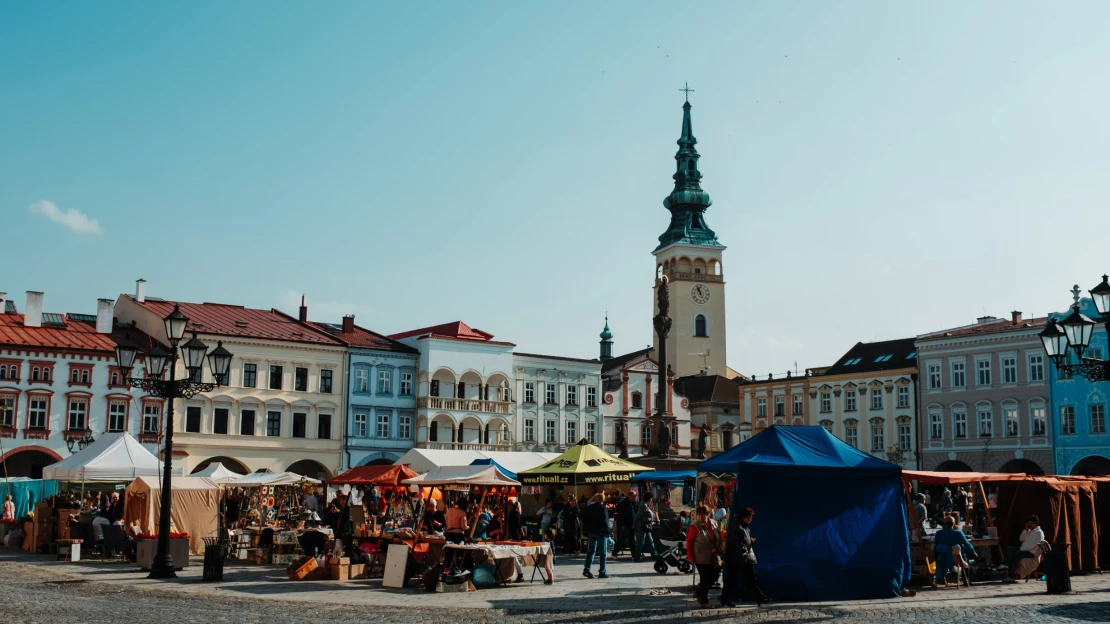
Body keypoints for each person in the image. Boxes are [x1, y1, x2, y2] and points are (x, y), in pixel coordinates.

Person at [686, 505, 721, 609]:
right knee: (705, 578)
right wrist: (690, 556)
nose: (701, 517)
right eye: (699, 514)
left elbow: (717, 536)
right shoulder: (694, 527)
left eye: (703, 514)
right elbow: (689, 542)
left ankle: (699, 592)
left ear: (708, 514)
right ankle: (704, 601)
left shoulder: (714, 523)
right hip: (700, 556)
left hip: (713, 556)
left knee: (715, 576)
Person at [931, 515, 977, 587]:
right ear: (954, 524)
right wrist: (973, 552)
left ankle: (942, 577)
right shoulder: (958, 533)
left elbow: (936, 545)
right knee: (967, 555)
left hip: (944, 559)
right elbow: (967, 544)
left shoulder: (938, 534)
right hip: (958, 560)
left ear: (944, 524)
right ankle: (966, 579)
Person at [1004, 515, 1045, 583]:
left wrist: (1021, 549)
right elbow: (1021, 539)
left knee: (1016, 554)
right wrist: (1025, 530)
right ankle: (1004, 564)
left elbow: (1032, 545)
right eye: (1029, 523)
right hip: (1024, 549)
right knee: (1010, 549)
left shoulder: (1039, 533)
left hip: (1031, 552)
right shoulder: (1029, 531)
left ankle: (1011, 576)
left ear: (1035, 523)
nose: (1030, 525)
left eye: (1031, 523)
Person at [582, 493, 611, 579]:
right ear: (602, 500)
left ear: (595, 499)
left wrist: (587, 530)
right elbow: (605, 521)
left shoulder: (589, 508)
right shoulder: (603, 508)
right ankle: (602, 571)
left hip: (591, 532)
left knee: (591, 551)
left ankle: (586, 569)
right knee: (603, 553)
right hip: (601, 533)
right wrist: (607, 532)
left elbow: (584, 519)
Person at [634, 492, 658, 562]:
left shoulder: (646, 505)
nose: (651, 500)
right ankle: (637, 558)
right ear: (649, 499)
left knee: (650, 541)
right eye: (651, 499)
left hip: (647, 526)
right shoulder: (643, 506)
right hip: (642, 526)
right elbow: (638, 516)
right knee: (640, 542)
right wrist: (634, 524)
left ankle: (654, 556)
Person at [613, 492, 637, 559]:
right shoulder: (623, 503)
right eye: (634, 496)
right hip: (625, 524)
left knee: (632, 540)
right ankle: (614, 552)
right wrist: (622, 524)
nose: (635, 497)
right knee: (621, 539)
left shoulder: (632, 503)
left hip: (631, 524)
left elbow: (633, 513)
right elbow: (621, 515)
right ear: (629, 496)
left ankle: (634, 554)